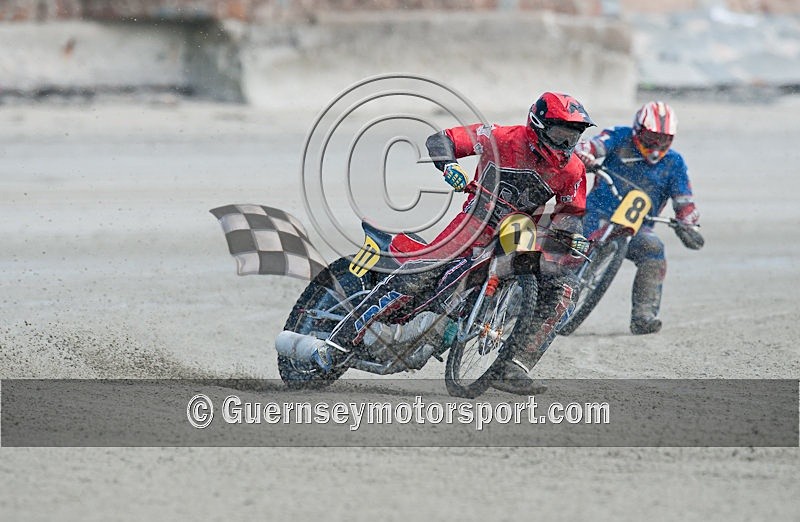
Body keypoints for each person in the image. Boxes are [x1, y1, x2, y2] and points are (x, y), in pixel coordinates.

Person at [394, 91, 596, 395]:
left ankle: (512, 366)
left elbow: (570, 214)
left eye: (572, 137)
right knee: (420, 274)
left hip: (519, 235)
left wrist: (571, 236)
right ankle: (364, 319)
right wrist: (449, 166)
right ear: (538, 126)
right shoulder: (500, 138)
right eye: (559, 135)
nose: (565, 144)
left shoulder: (573, 170)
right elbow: (442, 140)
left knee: (564, 287)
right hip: (476, 223)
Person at [575, 101, 704, 335]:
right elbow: (592, 146)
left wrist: (688, 224)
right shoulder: (619, 136)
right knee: (568, 247)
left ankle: (644, 317)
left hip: (636, 228)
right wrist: (585, 155)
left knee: (654, 250)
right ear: (638, 130)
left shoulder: (675, 163)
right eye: (651, 137)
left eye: (663, 139)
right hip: (596, 214)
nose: (656, 145)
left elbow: (684, 202)